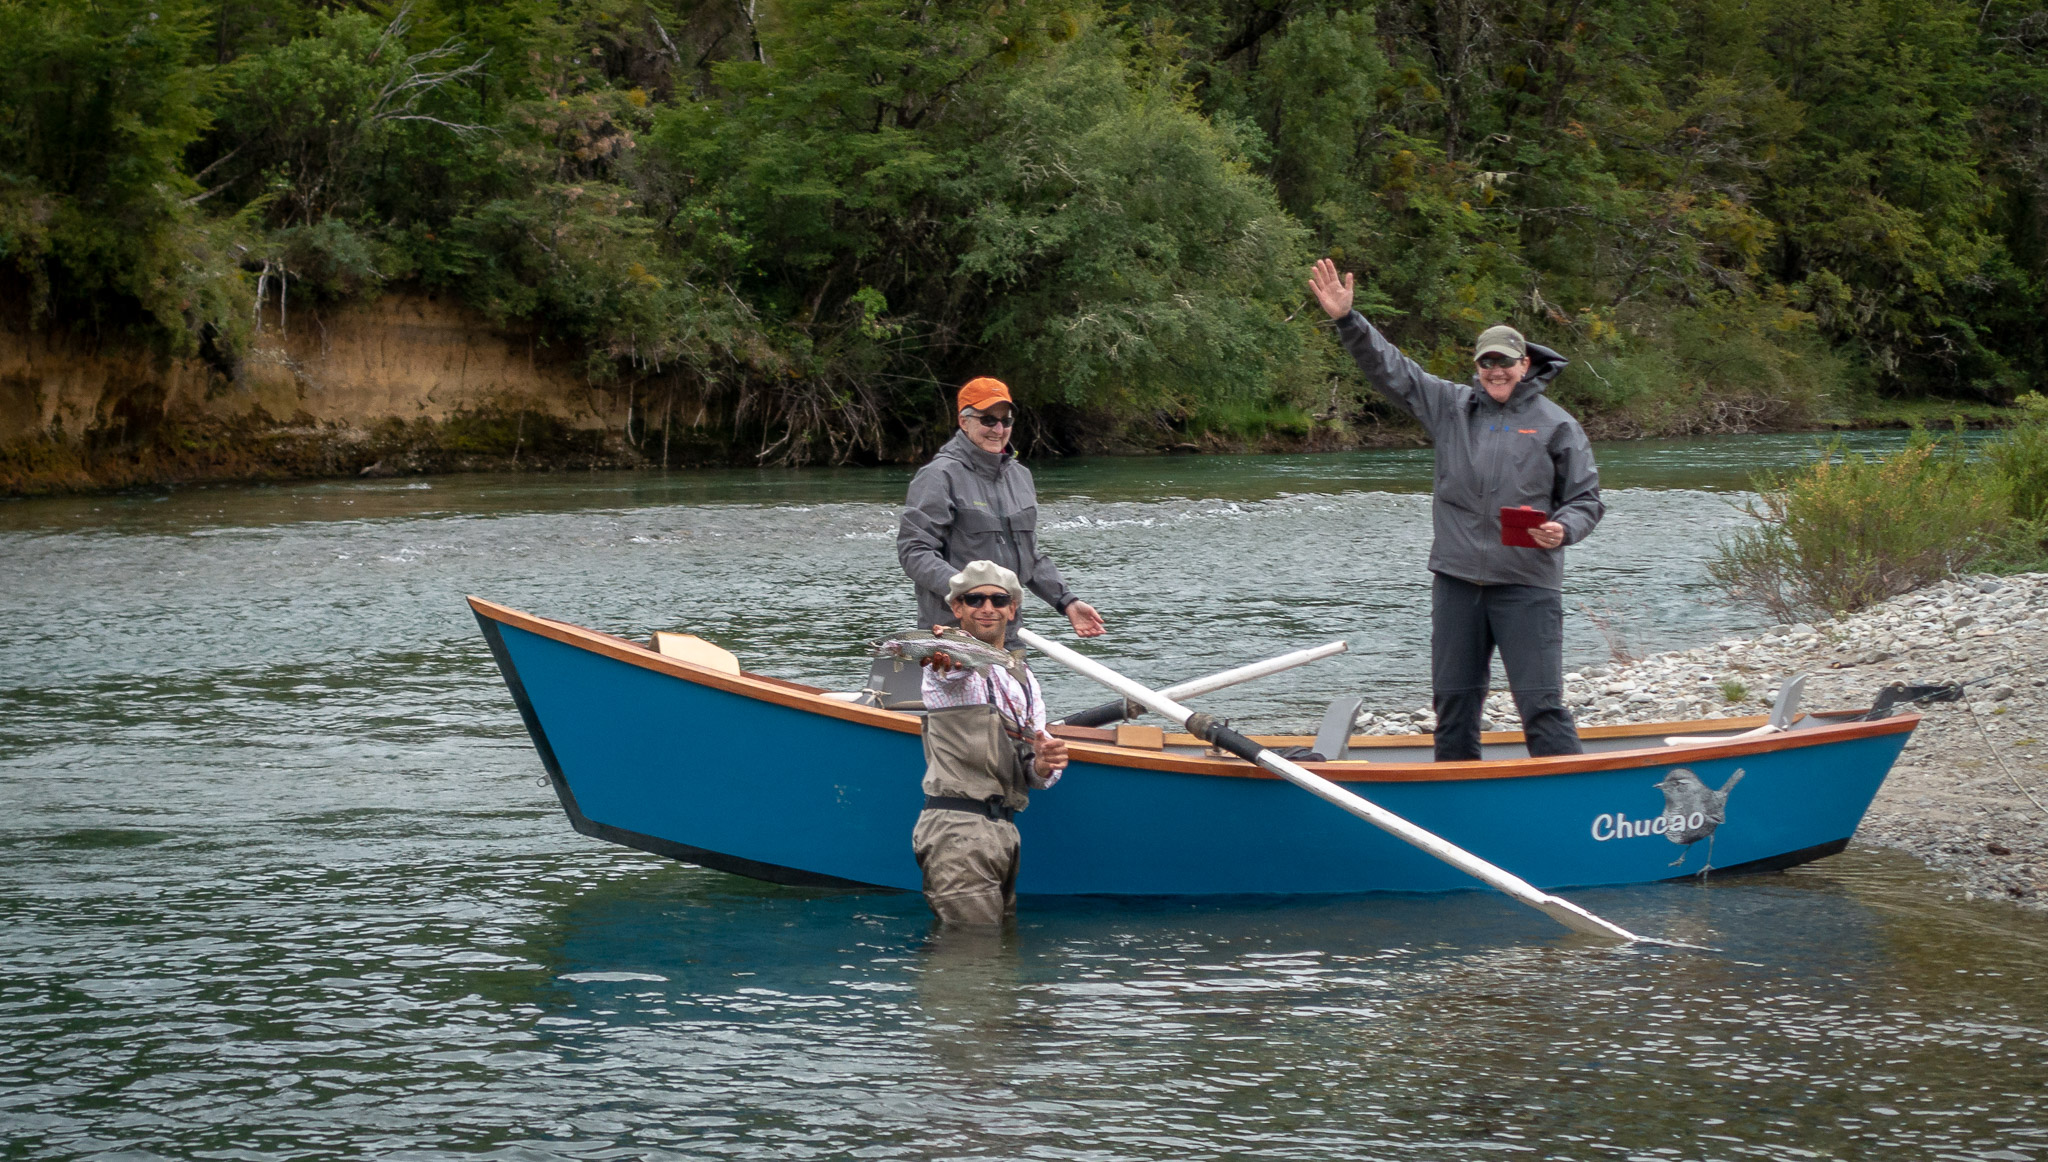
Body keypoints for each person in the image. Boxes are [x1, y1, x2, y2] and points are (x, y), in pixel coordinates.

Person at [1307, 258, 1604, 762]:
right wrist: (1348, 320)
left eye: (1505, 362)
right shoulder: (1451, 407)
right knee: (1454, 707)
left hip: (1527, 585)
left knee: (1541, 706)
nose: (1495, 371)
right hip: (1457, 582)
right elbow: (1391, 369)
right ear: (1478, 367)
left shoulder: (1557, 425)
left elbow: (1587, 500)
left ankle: (1568, 796)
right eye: (1487, 362)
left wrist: (1563, 528)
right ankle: (1453, 798)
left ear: (1525, 365)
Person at [911, 560, 1069, 926]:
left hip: (1004, 833)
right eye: (974, 599)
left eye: (998, 600)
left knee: (995, 956)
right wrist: (947, 653)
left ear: (1013, 609)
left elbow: (1033, 773)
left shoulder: (1025, 678)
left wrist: (1046, 762)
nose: (987, 608)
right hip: (957, 829)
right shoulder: (942, 660)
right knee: (970, 960)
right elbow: (951, 672)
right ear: (957, 609)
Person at [899, 376, 1105, 646]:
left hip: (1009, 635)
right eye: (988, 420)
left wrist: (1067, 602)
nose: (998, 429)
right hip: (954, 638)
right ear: (964, 422)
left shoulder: (1021, 476)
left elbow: (1029, 557)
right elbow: (914, 551)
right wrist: (967, 589)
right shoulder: (937, 476)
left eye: (1005, 421)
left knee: (1020, 690)